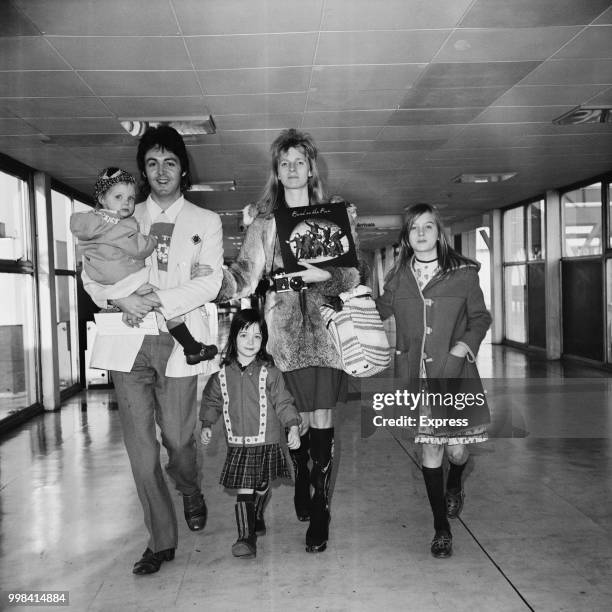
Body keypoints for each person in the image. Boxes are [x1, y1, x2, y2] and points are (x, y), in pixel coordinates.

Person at [81, 126, 224, 575]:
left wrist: (161, 298)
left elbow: (211, 280)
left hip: (178, 338)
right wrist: (116, 298)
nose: (161, 172)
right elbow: (90, 270)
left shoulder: (206, 221)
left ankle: (190, 488)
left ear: (183, 169)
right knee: (141, 451)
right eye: (151, 163)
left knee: (179, 442)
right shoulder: (119, 213)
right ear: (142, 171)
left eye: (170, 163)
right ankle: (160, 541)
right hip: (129, 340)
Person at [217, 128, 361, 553]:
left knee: (322, 424)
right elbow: (244, 275)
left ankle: (321, 510)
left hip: (328, 334)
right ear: (276, 173)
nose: (293, 169)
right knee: (292, 422)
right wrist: (209, 280)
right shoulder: (264, 224)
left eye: (300, 161)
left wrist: (325, 275)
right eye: (285, 163)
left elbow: (353, 274)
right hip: (283, 339)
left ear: (312, 167)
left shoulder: (335, 215)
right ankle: (303, 478)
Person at [376, 203, 491, 559]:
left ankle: (455, 481)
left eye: (428, 226)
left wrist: (462, 348)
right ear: (406, 238)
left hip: (454, 376)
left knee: (456, 452)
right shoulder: (397, 277)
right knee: (431, 449)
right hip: (417, 379)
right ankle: (441, 528)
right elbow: (376, 311)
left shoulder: (464, 274)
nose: (422, 233)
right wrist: (342, 296)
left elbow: (480, 319)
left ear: (439, 233)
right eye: (414, 228)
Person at [70, 166, 218, 364]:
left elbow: (92, 269)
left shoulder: (88, 224)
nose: (126, 203)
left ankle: (187, 346)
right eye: (119, 197)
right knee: (167, 307)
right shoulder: (124, 224)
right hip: (127, 313)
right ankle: (191, 347)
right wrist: (119, 300)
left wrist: (193, 274)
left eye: (130, 198)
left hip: (131, 300)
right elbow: (137, 251)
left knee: (160, 305)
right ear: (102, 198)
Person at [200, 309, 301, 559]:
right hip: (238, 444)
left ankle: (256, 513)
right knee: (245, 489)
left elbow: (284, 403)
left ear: (263, 341)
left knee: (262, 484)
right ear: (233, 337)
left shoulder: (271, 374)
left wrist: (293, 425)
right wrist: (206, 424)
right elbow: (212, 401)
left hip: (266, 442)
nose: (250, 342)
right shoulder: (221, 376)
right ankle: (246, 538)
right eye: (244, 335)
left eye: (257, 337)